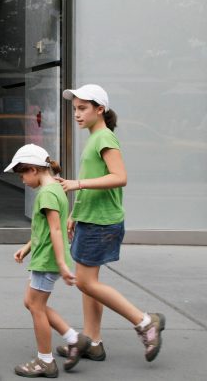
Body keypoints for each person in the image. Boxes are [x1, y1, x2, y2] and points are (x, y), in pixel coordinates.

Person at [58, 84, 164, 363]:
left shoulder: (104, 138)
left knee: (86, 282)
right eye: (75, 109)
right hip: (90, 219)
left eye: (83, 108)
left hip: (101, 223)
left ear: (100, 109)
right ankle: (93, 342)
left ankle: (145, 322)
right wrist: (75, 213)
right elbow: (94, 179)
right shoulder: (95, 137)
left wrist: (77, 184)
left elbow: (119, 177)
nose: (77, 114)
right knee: (87, 284)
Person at [6, 144, 88, 377]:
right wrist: (27, 247)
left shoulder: (47, 194)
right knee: (31, 302)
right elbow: (45, 229)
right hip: (45, 256)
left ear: (33, 169)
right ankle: (74, 339)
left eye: (22, 174)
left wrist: (61, 263)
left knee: (36, 307)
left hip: (47, 259)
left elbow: (56, 230)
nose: (22, 180)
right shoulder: (55, 189)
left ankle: (45, 361)